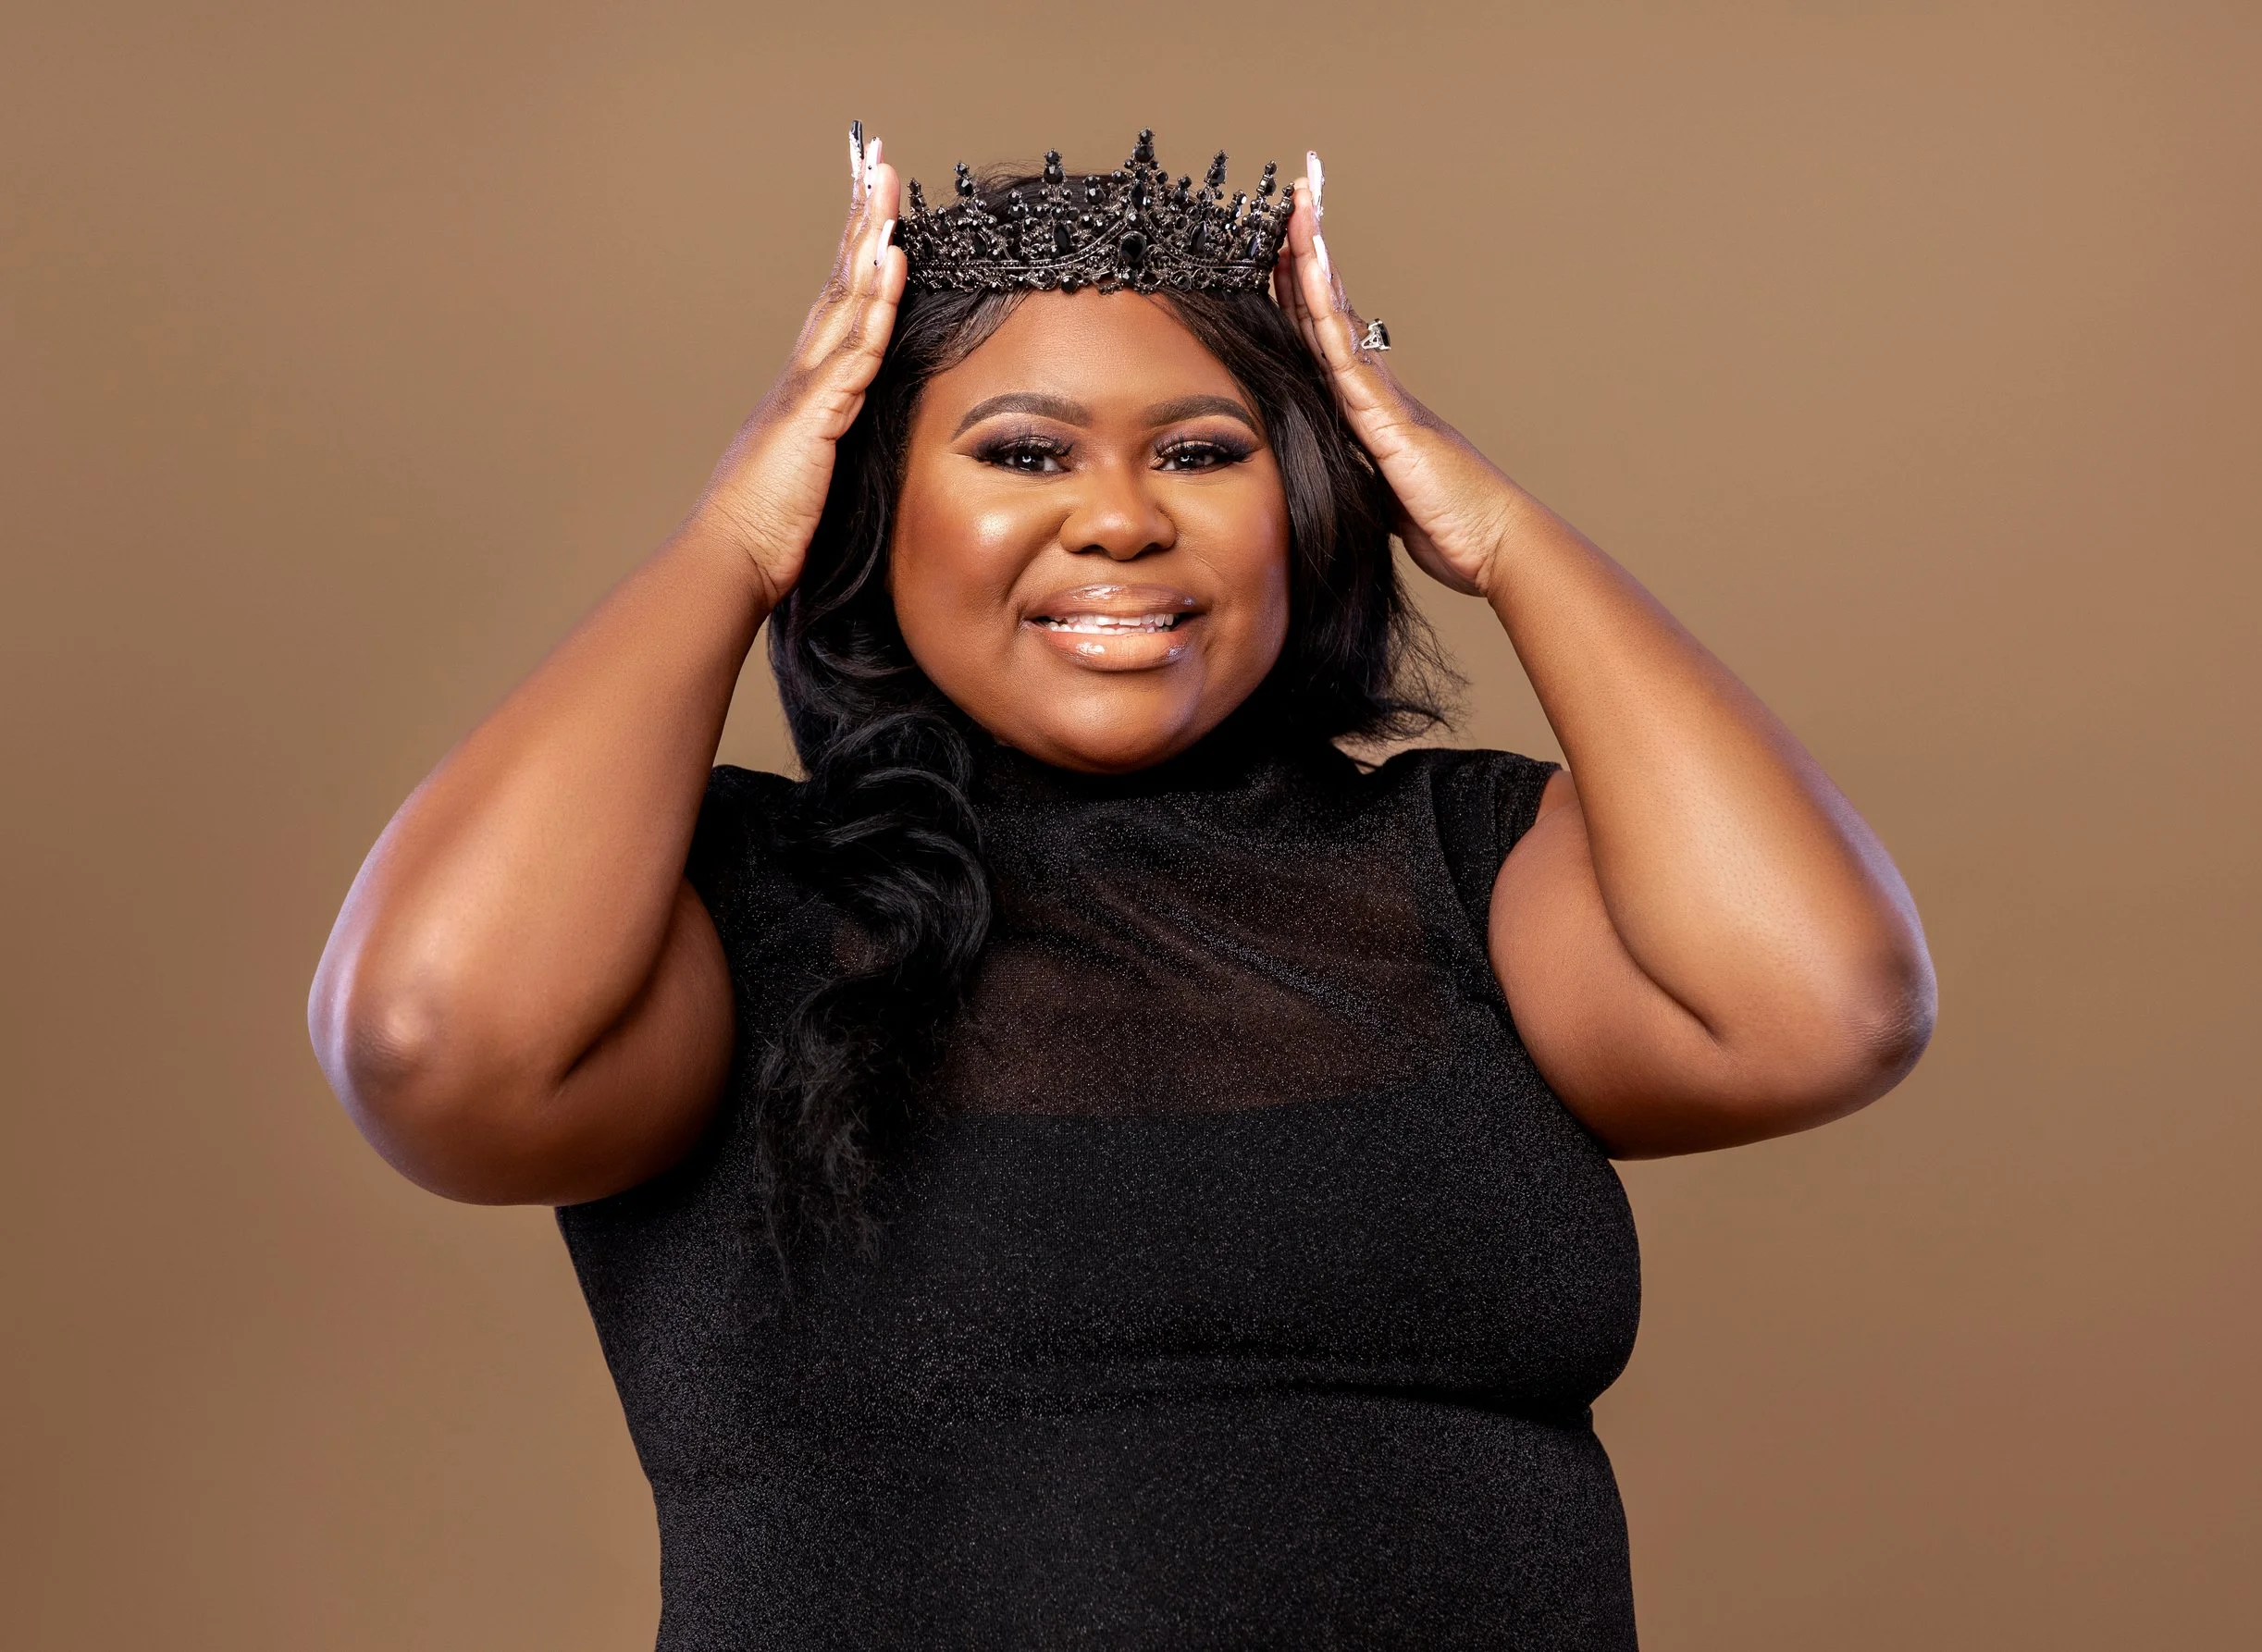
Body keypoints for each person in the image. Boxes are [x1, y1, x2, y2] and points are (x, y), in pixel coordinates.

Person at [309, 127, 1935, 1649]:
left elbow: (1826, 1007)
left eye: (1205, 451)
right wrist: (736, 537)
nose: (1123, 520)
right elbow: (434, 1042)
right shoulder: (726, 912)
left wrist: (1496, 526)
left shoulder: (1469, 871)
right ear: (868, 501)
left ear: (1303, 498)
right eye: (1023, 450)